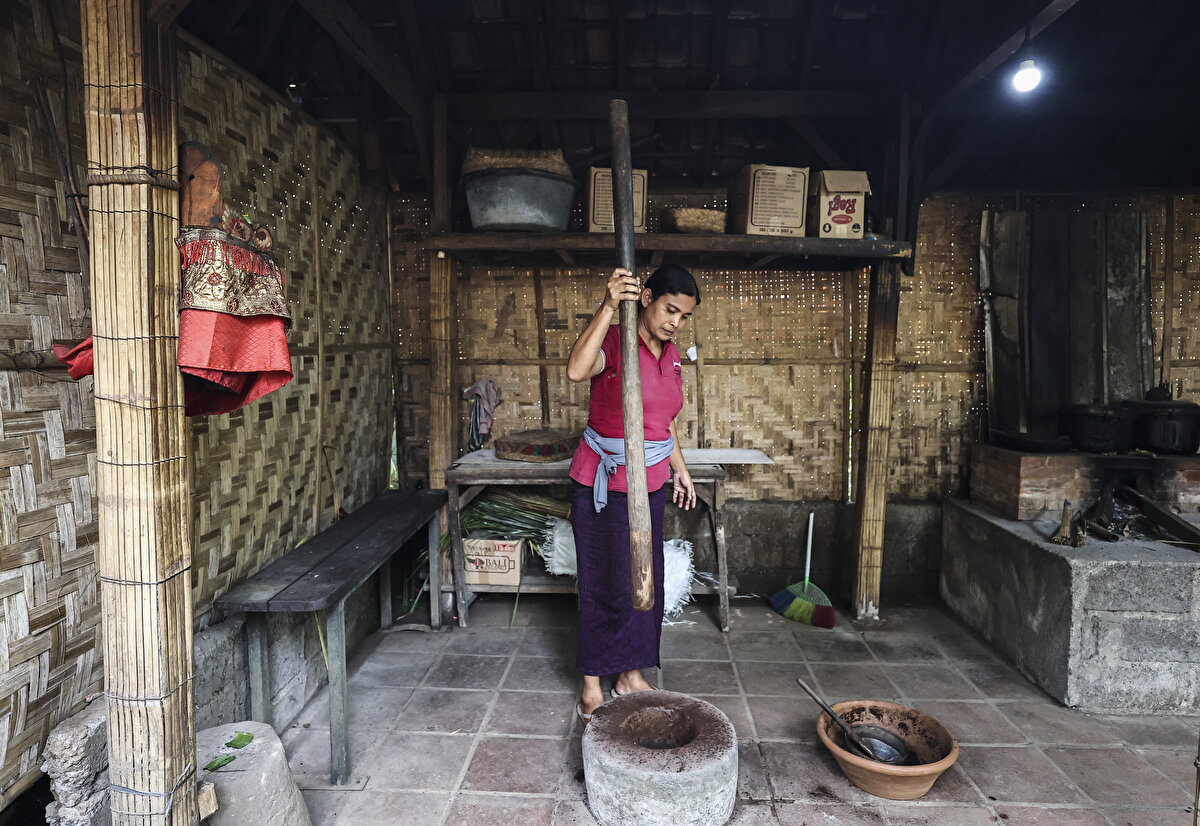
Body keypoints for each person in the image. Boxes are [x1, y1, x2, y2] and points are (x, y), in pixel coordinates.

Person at [565, 263, 701, 723]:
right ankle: (591, 684)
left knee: (646, 581)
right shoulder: (615, 343)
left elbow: (663, 423)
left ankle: (630, 674)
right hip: (605, 484)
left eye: (683, 316)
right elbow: (575, 370)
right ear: (646, 298)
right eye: (669, 310)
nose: (674, 322)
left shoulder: (672, 354)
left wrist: (680, 469)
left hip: (654, 483)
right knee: (604, 581)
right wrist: (607, 306)